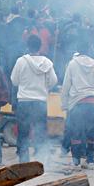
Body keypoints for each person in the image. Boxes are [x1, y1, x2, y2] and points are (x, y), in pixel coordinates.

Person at [11, 35, 58, 163]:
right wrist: (44, 87)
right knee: (40, 132)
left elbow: (14, 81)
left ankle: (23, 161)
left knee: (23, 133)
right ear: (40, 46)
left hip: (24, 102)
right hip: (40, 102)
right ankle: (41, 160)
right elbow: (54, 81)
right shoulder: (47, 63)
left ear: (28, 46)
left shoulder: (21, 61)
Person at [61, 42, 94, 167]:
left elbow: (66, 85)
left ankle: (76, 161)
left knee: (76, 133)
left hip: (77, 102)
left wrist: (64, 104)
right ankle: (90, 160)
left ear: (78, 50)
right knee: (91, 133)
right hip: (92, 102)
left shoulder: (72, 64)